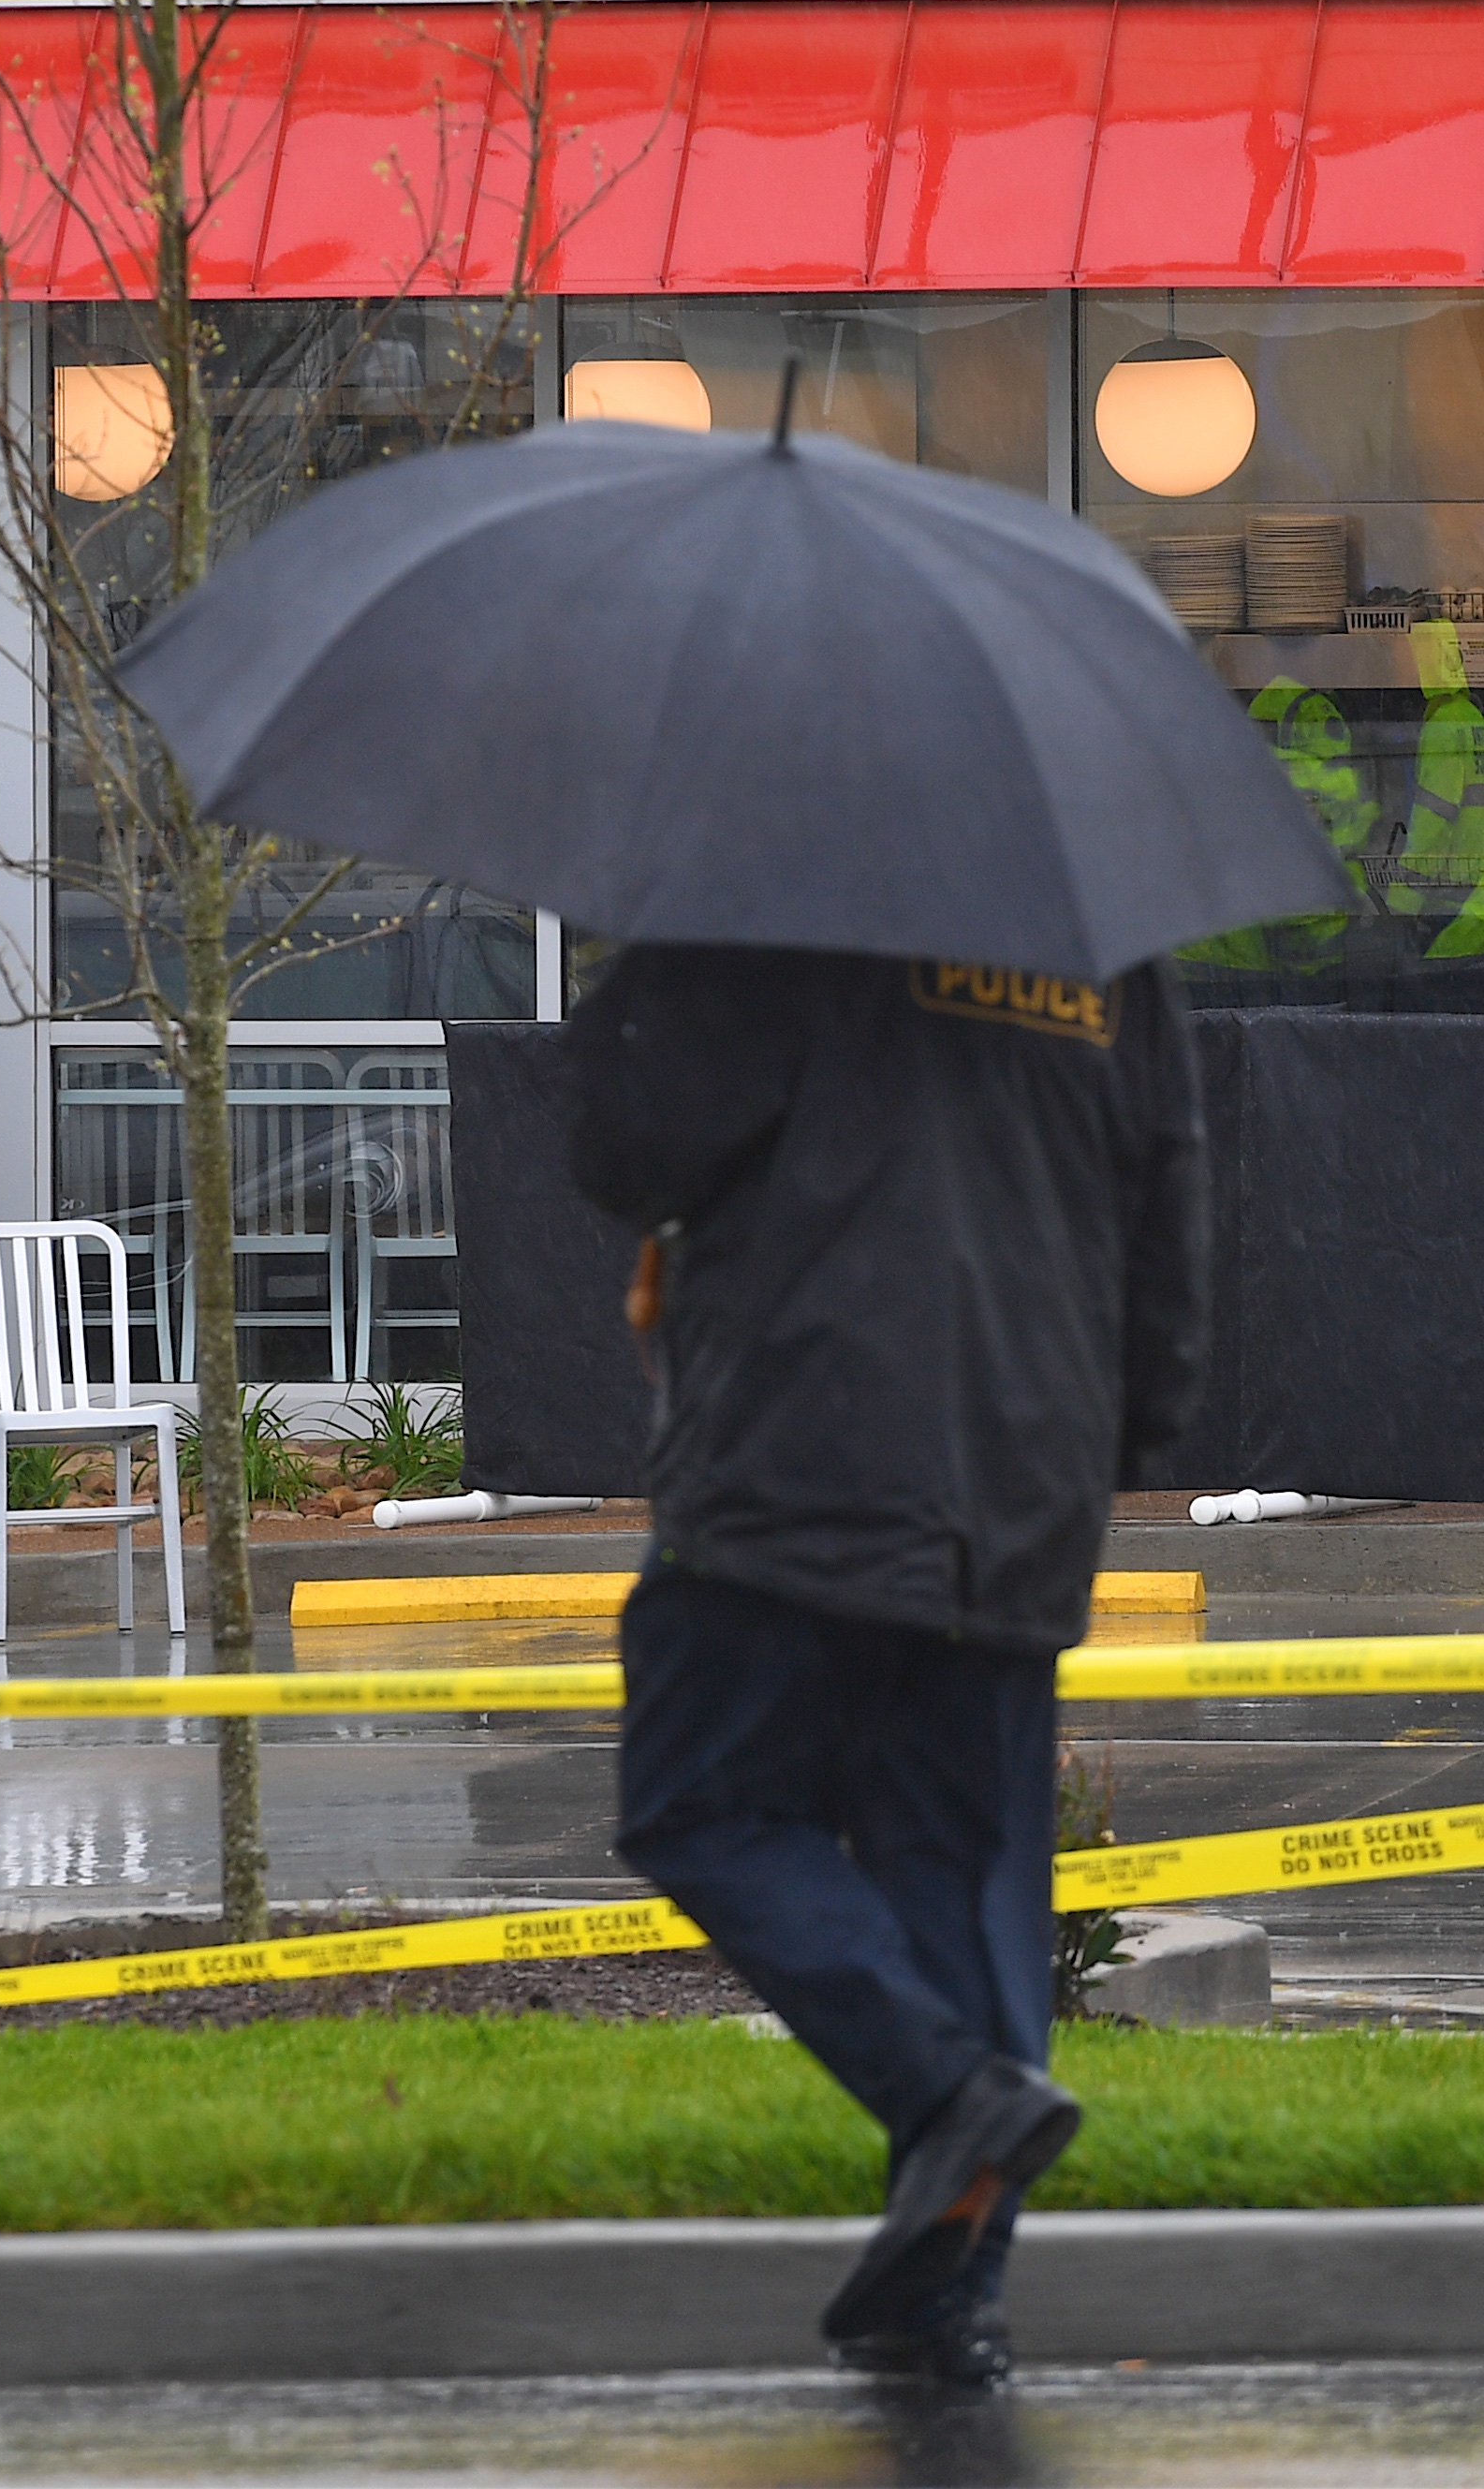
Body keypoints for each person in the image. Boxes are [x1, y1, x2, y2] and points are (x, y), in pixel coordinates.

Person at [567, 943, 1208, 2394]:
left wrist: (633, 975)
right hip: (1023, 1477)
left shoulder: (774, 907)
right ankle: (950, 2298)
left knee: (702, 1803)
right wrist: (1111, 1449)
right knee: (965, 1881)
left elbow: (625, 1144)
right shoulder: (1103, 944)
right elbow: (1170, 1203)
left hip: (797, 1455)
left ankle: (948, 2096)